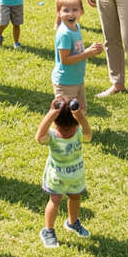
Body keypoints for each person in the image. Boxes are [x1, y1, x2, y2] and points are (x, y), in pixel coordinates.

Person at [36, 96, 93, 248]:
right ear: (55, 124)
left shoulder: (79, 133)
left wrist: (80, 117)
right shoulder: (53, 137)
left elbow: (89, 135)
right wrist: (51, 114)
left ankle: (72, 223)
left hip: (76, 178)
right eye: (63, 128)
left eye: (70, 128)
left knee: (75, 198)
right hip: (57, 179)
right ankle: (47, 231)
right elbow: (39, 137)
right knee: (55, 200)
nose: (67, 132)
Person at [52, 0, 105, 105]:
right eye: (66, 10)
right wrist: (87, 53)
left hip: (77, 79)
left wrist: (92, 49)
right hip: (65, 82)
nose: (70, 14)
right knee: (65, 117)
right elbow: (65, 60)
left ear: (81, 11)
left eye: (75, 10)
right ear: (58, 13)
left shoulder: (76, 27)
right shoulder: (65, 34)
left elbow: (76, 51)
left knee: (81, 111)